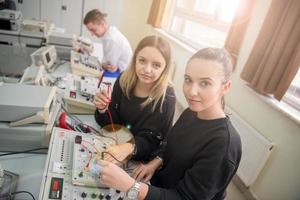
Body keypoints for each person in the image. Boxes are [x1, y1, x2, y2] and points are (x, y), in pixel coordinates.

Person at [97, 48, 242, 200]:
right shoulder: (191, 113)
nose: (192, 92)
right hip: (156, 186)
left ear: (225, 87)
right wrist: (155, 162)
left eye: (205, 83)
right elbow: (169, 144)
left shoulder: (224, 145)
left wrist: (130, 186)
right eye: (188, 80)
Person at [93, 35, 176, 165]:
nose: (147, 70)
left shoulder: (167, 96)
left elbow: (156, 140)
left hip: (141, 159)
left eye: (156, 65)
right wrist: (103, 110)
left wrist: (129, 147)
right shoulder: (123, 80)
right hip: (115, 145)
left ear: (165, 68)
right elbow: (113, 123)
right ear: (135, 59)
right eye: (142, 61)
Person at [83, 9, 132, 76]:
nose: (92, 34)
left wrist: (102, 64)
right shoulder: (109, 31)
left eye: (93, 30)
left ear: (103, 24)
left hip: (123, 73)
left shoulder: (111, 39)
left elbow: (110, 67)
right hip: (119, 68)